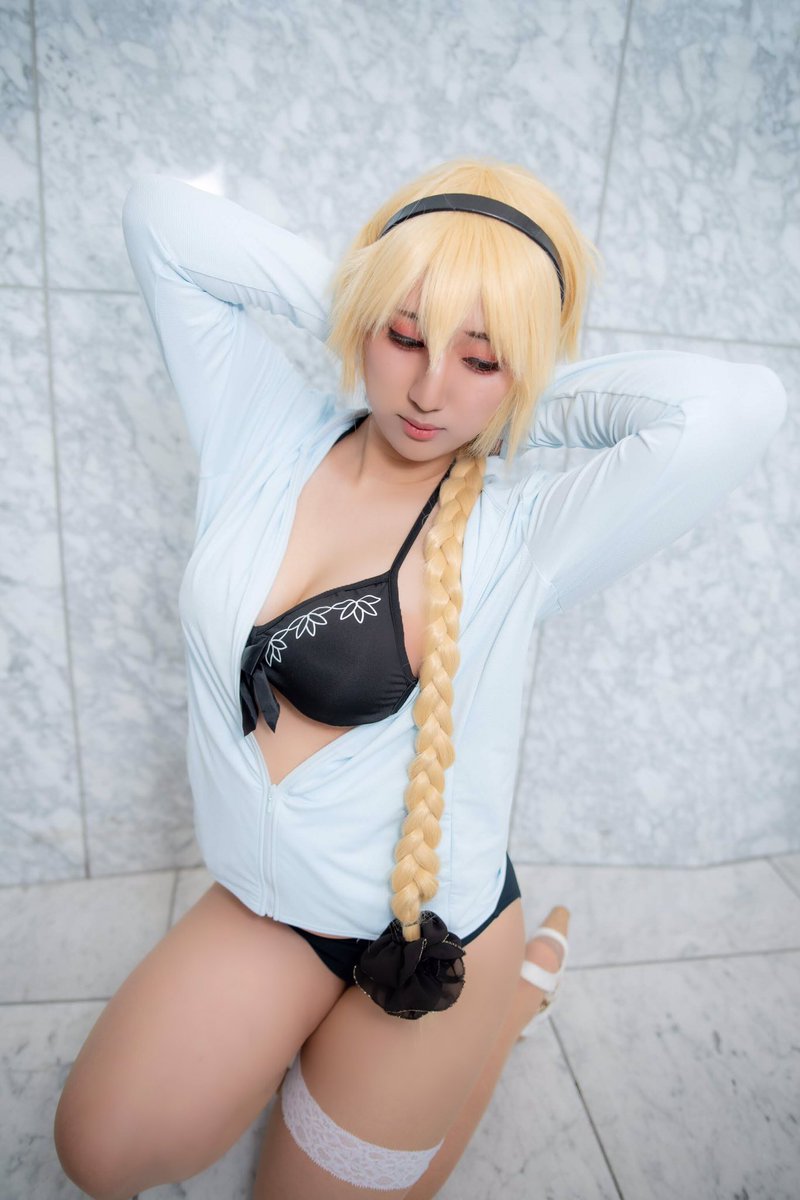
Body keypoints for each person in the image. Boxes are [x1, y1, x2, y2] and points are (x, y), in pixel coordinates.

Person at [53, 158, 786, 1200]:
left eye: (479, 359)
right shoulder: (260, 431)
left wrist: (524, 389)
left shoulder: (519, 535)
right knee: (97, 1150)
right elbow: (162, 219)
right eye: (403, 339)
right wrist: (382, 295)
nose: (429, 392)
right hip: (271, 911)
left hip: (430, 938)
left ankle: (504, 1000)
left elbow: (739, 405)